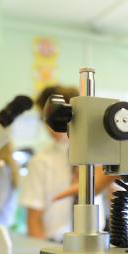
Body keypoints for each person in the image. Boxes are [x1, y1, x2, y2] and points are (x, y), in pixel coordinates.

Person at [20, 84, 79, 241]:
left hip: (95, 242)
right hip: (56, 243)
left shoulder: (97, 156)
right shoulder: (41, 162)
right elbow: (34, 219)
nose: (46, 123)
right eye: (42, 117)